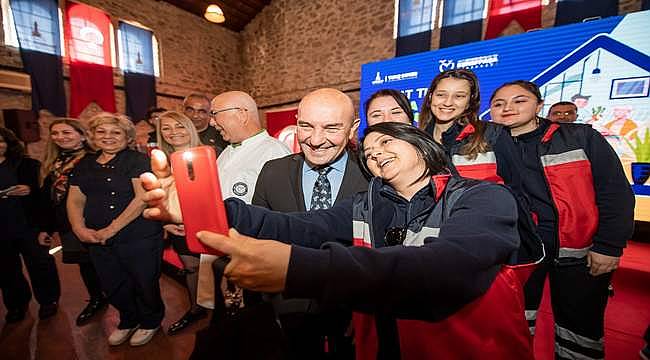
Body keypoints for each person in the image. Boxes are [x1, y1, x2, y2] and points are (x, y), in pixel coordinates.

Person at [141, 122, 539, 359]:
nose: (375, 153)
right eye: (367, 151)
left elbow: (449, 270)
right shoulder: (365, 205)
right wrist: (204, 208)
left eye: (387, 142)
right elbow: (295, 227)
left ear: (423, 146)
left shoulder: (482, 196)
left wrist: (299, 269)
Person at [490, 80, 635, 360]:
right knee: (515, 321)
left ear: (539, 105)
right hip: (520, 250)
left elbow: (614, 191)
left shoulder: (581, 137)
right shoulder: (488, 146)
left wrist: (608, 245)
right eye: (499, 104)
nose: (508, 108)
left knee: (580, 328)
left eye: (519, 100)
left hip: (580, 250)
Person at [252, 88, 367, 359]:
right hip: (286, 306)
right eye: (306, 126)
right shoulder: (273, 172)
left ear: (353, 128)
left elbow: (384, 250)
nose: (316, 140)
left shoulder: (372, 176)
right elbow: (257, 236)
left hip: (352, 312)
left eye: (331, 128)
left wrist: (366, 312)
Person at [67, 113, 164, 347]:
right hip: (96, 237)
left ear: (127, 136)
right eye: (101, 132)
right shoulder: (85, 164)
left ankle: (150, 321)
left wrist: (109, 230)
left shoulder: (137, 160)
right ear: (92, 136)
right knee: (112, 282)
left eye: (115, 132)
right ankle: (128, 319)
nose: (108, 137)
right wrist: (79, 229)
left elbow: (141, 198)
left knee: (143, 281)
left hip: (137, 235)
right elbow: (75, 199)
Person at [196, 91, 291, 310]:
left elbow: (281, 217)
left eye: (215, 114)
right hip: (220, 250)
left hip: (249, 254)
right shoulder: (227, 151)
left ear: (241, 114)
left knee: (253, 319)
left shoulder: (275, 153)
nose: (211, 122)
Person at [36, 118, 107, 326]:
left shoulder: (94, 158)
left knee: (106, 263)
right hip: (66, 223)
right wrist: (46, 228)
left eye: (66, 133)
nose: (60, 137)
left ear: (82, 135)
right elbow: (47, 199)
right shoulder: (54, 161)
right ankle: (97, 299)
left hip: (94, 220)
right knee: (85, 265)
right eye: (55, 133)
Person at [154, 110, 208, 335]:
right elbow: (157, 195)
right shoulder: (160, 161)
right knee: (191, 268)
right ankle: (197, 309)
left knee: (216, 270)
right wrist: (165, 222)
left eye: (179, 126)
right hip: (176, 226)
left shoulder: (207, 154)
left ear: (190, 128)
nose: (173, 132)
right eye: (166, 128)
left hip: (207, 222)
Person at [0, 127, 61, 322]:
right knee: (6, 270)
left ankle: (48, 301)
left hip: (28, 225)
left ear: (8, 143)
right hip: (1, 229)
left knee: (40, 264)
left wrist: (30, 189)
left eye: (0, 141)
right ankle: (17, 304)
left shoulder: (28, 164)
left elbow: (45, 195)